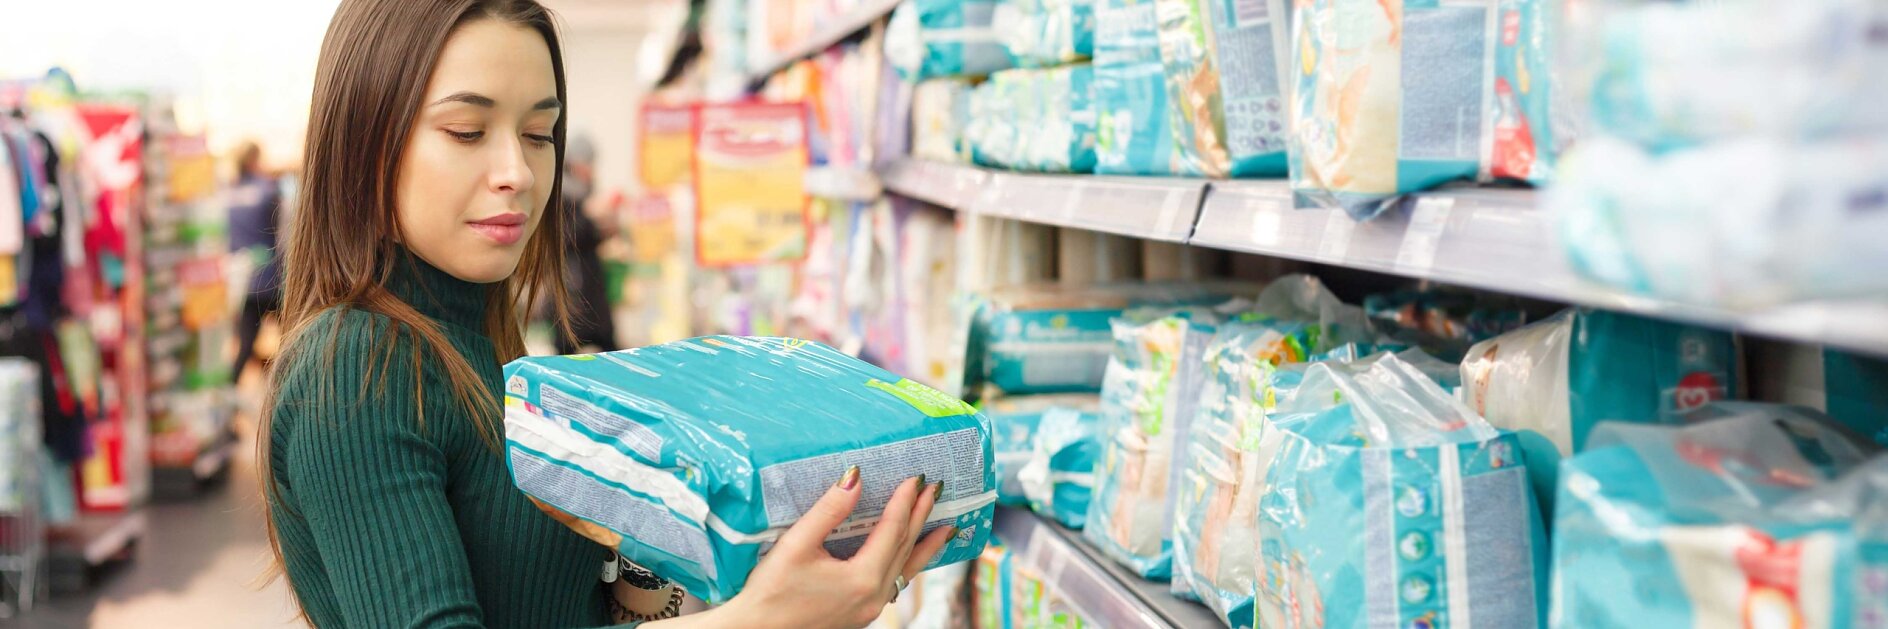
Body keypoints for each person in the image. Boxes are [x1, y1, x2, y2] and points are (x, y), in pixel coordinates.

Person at [259, 2, 953, 628]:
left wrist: (658, 526)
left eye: (539, 133)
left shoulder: (479, 347)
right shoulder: (355, 364)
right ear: (364, 143)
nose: (520, 172)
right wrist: (766, 620)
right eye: (467, 131)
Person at [554, 135, 617, 354]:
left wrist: (606, 227)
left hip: (591, 279)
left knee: (605, 340)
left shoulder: (585, 190)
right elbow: (563, 238)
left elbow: (589, 237)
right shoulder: (563, 193)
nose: (589, 170)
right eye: (586, 163)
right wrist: (590, 218)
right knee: (568, 345)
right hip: (571, 281)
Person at [228, 140, 282, 380]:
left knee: (245, 344)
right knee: (295, 340)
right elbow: (284, 235)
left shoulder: (228, 193)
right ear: (254, 161)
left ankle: (228, 395)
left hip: (243, 280)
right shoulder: (269, 191)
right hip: (272, 279)